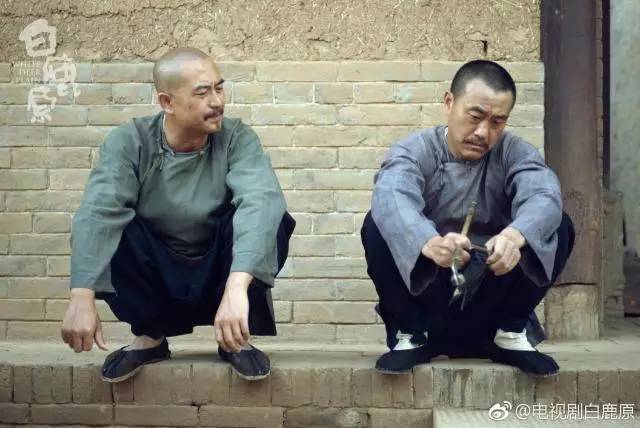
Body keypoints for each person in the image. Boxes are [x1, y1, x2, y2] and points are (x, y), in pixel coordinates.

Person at [61, 47, 295, 383]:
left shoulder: (237, 138)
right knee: (115, 226)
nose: (217, 101)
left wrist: (236, 288)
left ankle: (234, 339)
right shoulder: (130, 142)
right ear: (167, 102)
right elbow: (98, 211)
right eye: (202, 93)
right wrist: (82, 296)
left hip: (219, 269)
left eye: (219, 88)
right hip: (157, 270)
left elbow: (260, 201)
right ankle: (150, 338)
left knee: (270, 216)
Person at [360, 60, 575, 377]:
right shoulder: (415, 150)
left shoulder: (515, 153)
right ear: (449, 102)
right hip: (430, 300)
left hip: (490, 298)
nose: (483, 132)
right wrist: (428, 242)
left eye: (497, 122)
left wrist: (514, 236)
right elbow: (391, 195)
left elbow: (544, 195)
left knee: (558, 224)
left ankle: (510, 334)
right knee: (377, 222)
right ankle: (411, 335)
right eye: (475, 117)